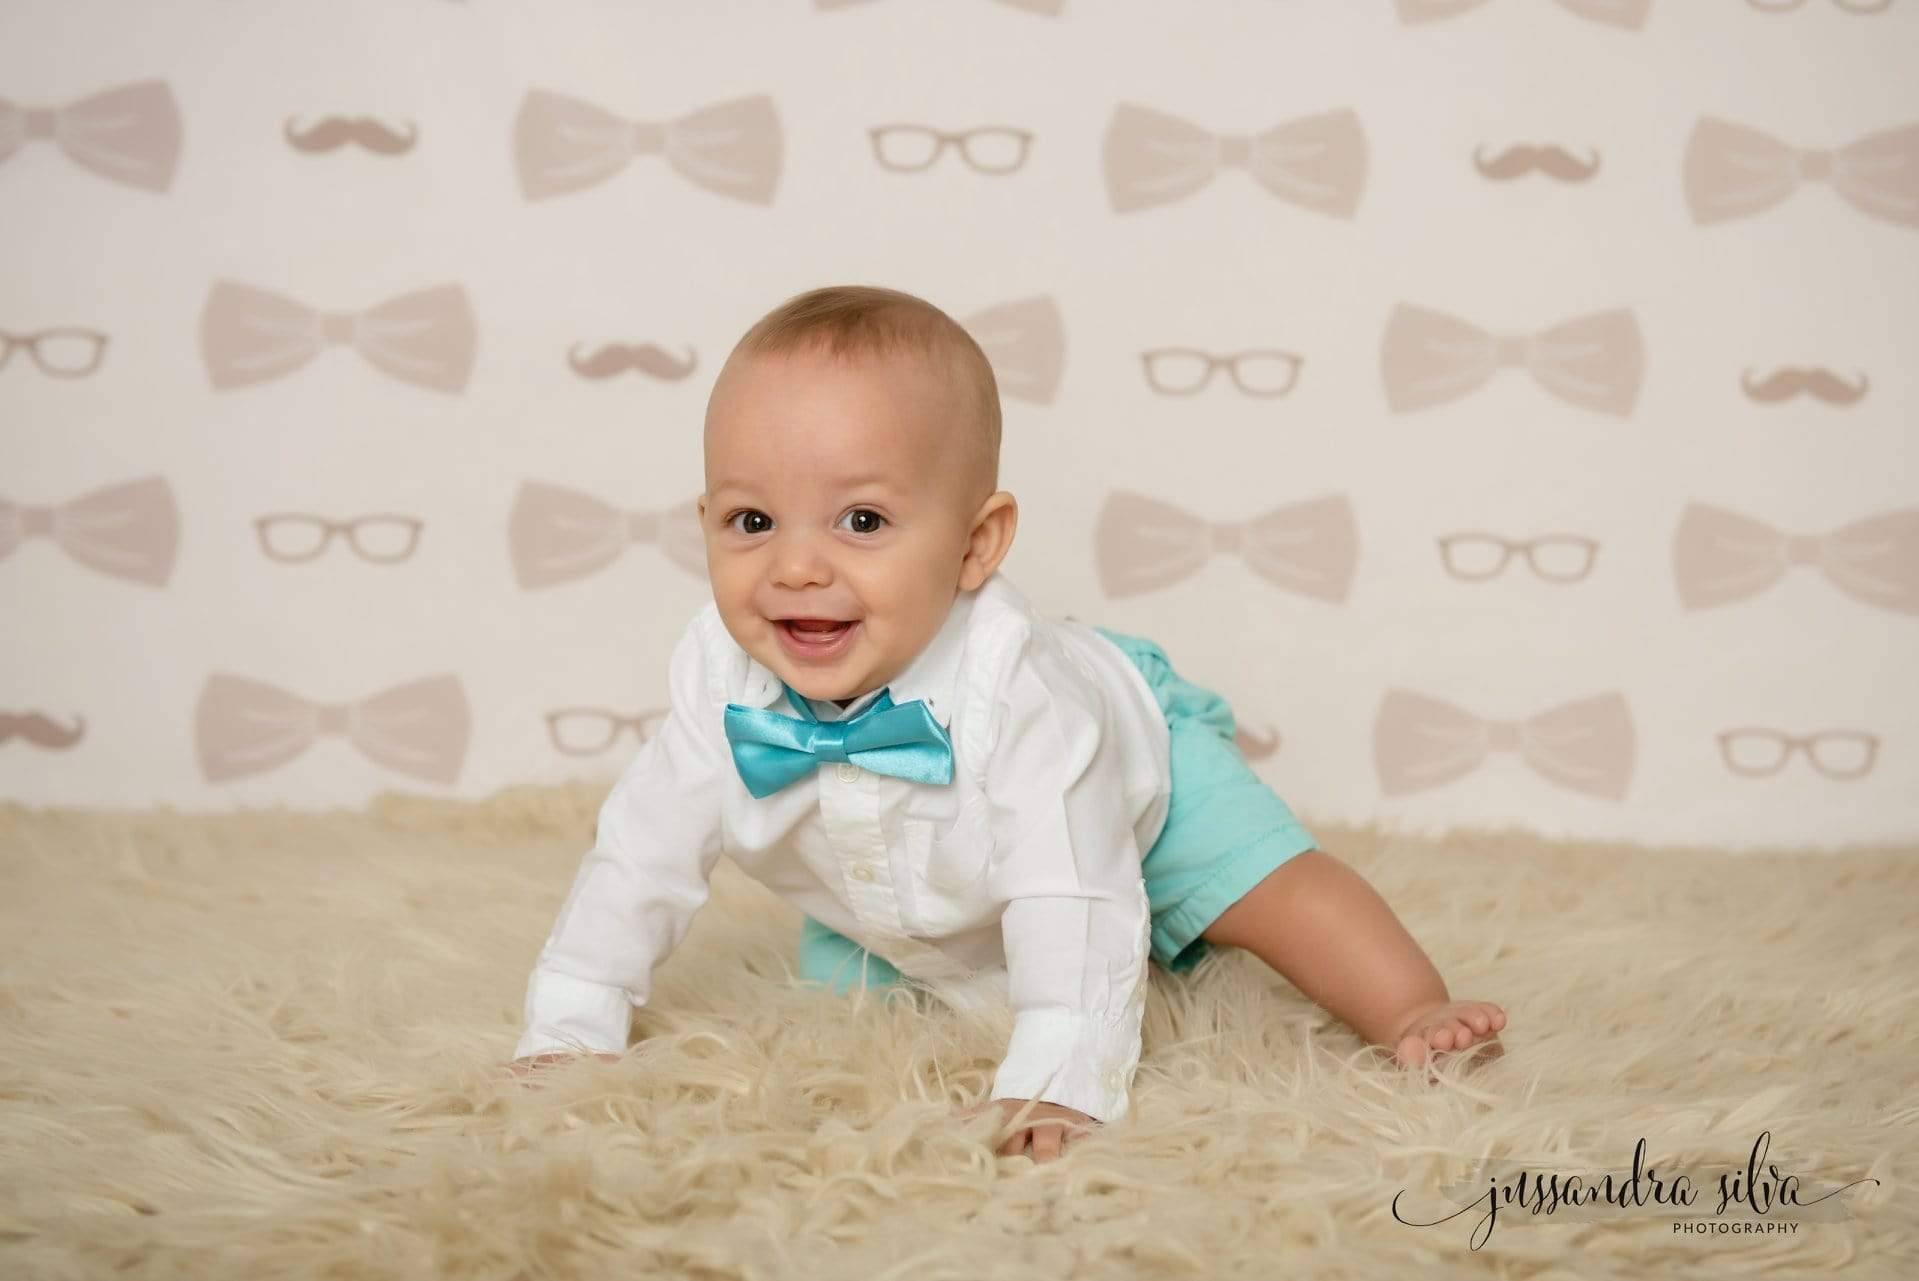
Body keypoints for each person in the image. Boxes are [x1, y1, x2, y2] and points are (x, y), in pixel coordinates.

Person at [507, 284, 1507, 1163]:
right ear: (706, 526)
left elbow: (1070, 886)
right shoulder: (717, 677)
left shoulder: (1026, 696)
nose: (796, 567)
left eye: (861, 521)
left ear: (975, 544)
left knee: (1266, 889)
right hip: (917, 879)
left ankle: (1409, 1003)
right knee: (852, 1009)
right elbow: (637, 859)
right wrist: (571, 1022)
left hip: (1131, 774)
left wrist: (1059, 1078)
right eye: (752, 522)